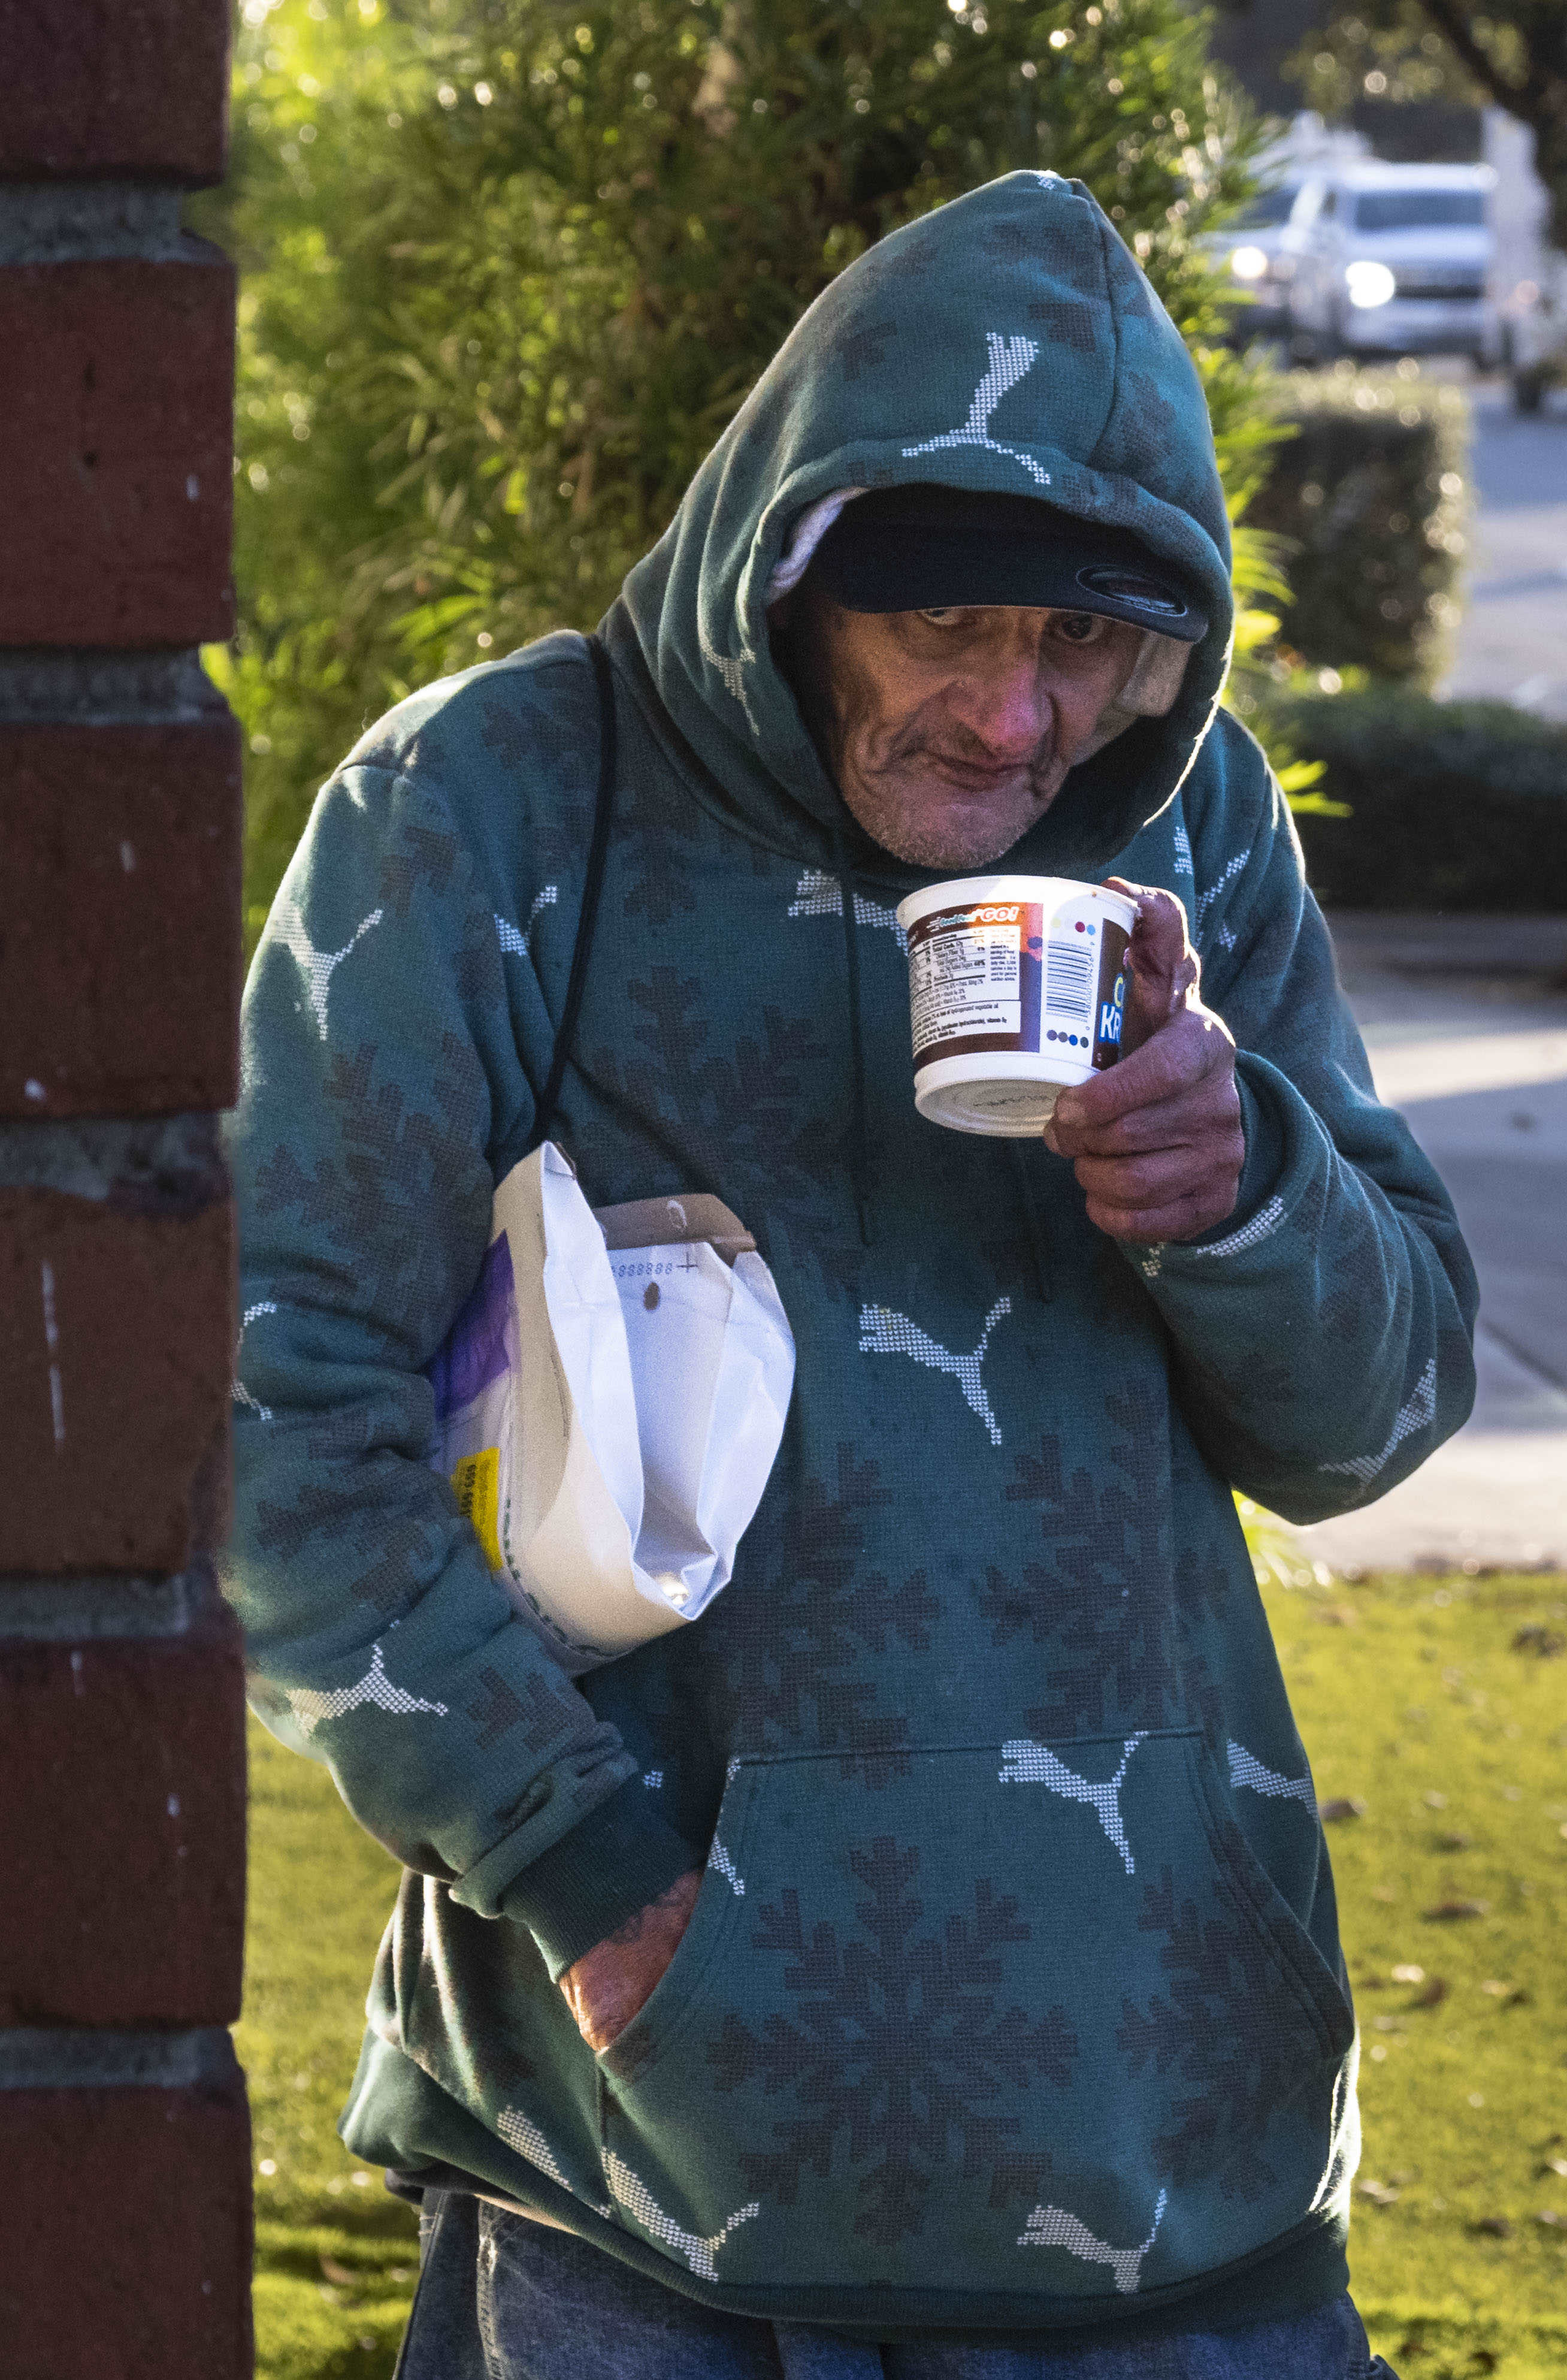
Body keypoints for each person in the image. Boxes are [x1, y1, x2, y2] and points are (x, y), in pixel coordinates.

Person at [225, 174, 1471, 2373]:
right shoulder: (495, 807)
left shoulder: (1192, 827)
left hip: (1174, 2148)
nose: (1016, 723)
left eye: (1086, 644)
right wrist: (588, 1875)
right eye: (947, 631)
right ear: (794, 572)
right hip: (642, 2169)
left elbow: (1377, 1418)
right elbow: (268, 1415)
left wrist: (1234, 1180)